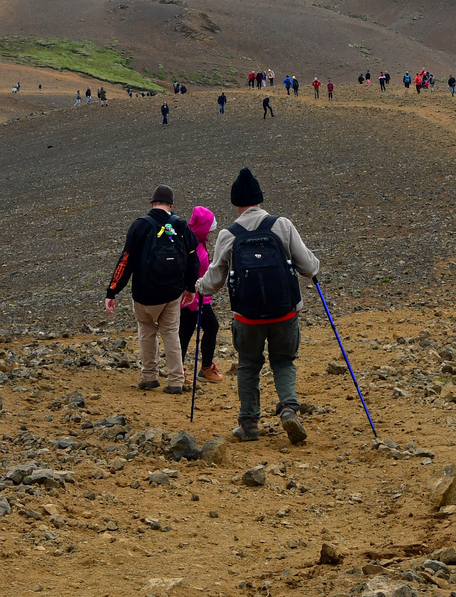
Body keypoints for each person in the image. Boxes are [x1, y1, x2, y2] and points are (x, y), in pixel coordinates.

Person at [195, 168, 320, 445]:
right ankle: (288, 408)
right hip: (284, 312)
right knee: (283, 361)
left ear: (236, 203)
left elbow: (213, 281)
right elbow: (309, 267)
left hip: (248, 317)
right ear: (260, 199)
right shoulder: (282, 225)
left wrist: (198, 287)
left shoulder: (229, 235)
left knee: (249, 364)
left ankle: (249, 423)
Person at [105, 186, 197, 394]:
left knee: (147, 330)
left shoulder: (140, 226)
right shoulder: (180, 226)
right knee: (171, 332)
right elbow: (193, 259)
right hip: (173, 291)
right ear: (171, 205)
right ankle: (175, 380)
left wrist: (112, 291)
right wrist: (190, 288)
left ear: (152, 204)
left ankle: (149, 376)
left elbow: (126, 261)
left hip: (145, 293)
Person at [179, 206, 223, 383]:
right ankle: (205, 370)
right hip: (195, 300)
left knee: (185, 332)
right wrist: (196, 302)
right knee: (211, 327)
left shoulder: (188, 242)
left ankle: (178, 370)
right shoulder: (195, 248)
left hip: (188, 299)